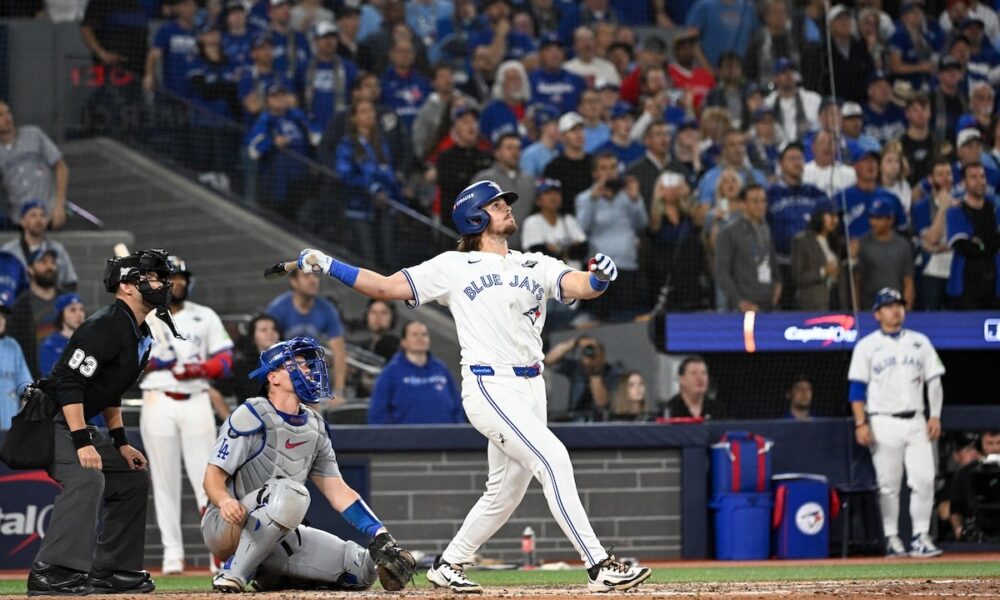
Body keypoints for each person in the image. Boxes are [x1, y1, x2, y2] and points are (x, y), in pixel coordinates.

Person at [295, 179, 652, 592]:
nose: (506, 208)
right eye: (497, 204)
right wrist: (329, 264)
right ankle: (599, 565)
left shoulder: (534, 263)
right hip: (490, 385)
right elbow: (386, 286)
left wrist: (600, 278)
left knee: (505, 492)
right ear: (475, 215)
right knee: (553, 459)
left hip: (532, 387)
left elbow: (581, 286)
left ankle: (448, 564)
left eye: (504, 203)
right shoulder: (453, 266)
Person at [202, 337, 416, 592]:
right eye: (297, 365)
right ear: (273, 377)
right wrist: (225, 502)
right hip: (228, 524)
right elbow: (212, 476)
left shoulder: (315, 426)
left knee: (358, 570)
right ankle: (234, 573)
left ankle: (271, 574)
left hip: (278, 529)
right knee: (291, 493)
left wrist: (379, 534)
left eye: (306, 365)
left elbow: (337, 490)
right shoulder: (251, 413)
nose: (307, 370)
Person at [26, 249, 176, 595]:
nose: (161, 283)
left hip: (71, 424)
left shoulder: (142, 333)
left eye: (160, 277)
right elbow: (68, 383)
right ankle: (52, 571)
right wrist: (83, 442)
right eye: (151, 277)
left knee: (130, 477)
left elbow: (111, 390)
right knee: (87, 476)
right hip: (47, 422)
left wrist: (121, 442)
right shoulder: (104, 325)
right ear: (126, 286)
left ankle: (111, 570)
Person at [139, 255, 234, 576]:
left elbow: (225, 360)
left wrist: (198, 368)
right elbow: (126, 361)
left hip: (196, 398)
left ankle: (216, 554)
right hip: (157, 399)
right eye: (171, 277)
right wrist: (153, 361)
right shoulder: (146, 316)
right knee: (163, 481)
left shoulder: (203, 316)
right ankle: (173, 554)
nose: (177, 282)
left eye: (181, 277)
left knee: (206, 480)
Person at [849, 287, 945, 558]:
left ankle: (920, 535)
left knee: (925, 479)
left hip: (916, 419)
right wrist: (860, 423)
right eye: (889, 306)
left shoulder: (920, 341)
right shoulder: (866, 345)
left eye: (899, 305)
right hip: (883, 420)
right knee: (888, 484)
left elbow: (934, 381)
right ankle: (892, 538)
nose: (895, 310)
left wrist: (935, 415)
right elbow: (856, 388)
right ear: (877, 313)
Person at [575, 154, 648, 321]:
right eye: (604, 168)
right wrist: (593, 200)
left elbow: (642, 224)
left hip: (627, 264)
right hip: (599, 269)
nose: (609, 172)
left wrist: (636, 200)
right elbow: (581, 229)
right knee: (599, 320)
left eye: (613, 167)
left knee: (626, 319)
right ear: (595, 173)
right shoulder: (585, 198)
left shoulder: (629, 195)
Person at [265, 269, 348, 403]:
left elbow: (339, 350)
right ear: (294, 282)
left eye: (315, 276)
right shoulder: (278, 309)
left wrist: (339, 391)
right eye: (306, 276)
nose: (313, 280)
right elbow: (267, 349)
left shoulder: (327, 310)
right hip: (285, 375)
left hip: (314, 379)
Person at [767, 142, 829, 309]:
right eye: (792, 158)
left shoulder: (816, 193)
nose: (797, 163)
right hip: (782, 264)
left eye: (800, 158)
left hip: (811, 268)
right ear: (781, 163)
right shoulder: (770, 194)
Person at [368, 321, 463, 424]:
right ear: (403, 342)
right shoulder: (390, 373)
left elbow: (457, 406)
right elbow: (378, 413)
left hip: (444, 437)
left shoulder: (441, 369)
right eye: (414, 334)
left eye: (424, 334)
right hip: (406, 438)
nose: (420, 338)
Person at [0, 102, 69, 229]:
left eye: (8, 112)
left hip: (48, 215)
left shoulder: (33, 135)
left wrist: (59, 204)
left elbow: (60, 167)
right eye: (1, 115)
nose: (7, 117)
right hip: (19, 220)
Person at [714, 184, 781, 313]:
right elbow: (721, 273)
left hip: (768, 304)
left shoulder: (766, 230)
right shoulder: (729, 233)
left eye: (763, 201)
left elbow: (772, 262)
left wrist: (777, 285)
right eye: (755, 201)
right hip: (743, 307)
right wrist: (739, 301)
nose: (760, 206)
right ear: (742, 204)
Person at [946, 162, 1000, 309]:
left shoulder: (995, 209)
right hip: (966, 287)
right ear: (964, 183)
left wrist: (979, 243)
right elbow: (963, 246)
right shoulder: (956, 210)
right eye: (974, 177)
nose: (980, 181)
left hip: (994, 286)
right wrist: (988, 244)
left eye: (982, 176)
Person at [472, 133, 535, 249]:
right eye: (509, 148)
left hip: (524, 249)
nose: (515, 152)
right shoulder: (484, 179)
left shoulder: (529, 180)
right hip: (491, 248)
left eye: (517, 148)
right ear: (497, 152)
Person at [1, 199, 78, 291]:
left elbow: (70, 282)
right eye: (33, 215)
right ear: (22, 221)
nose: (39, 220)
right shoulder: (8, 251)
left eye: (42, 215)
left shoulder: (58, 250)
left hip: (50, 302)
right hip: (17, 303)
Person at [912, 159, 958, 310]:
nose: (946, 178)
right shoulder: (921, 206)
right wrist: (943, 207)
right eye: (940, 174)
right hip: (932, 272)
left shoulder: (961, 203)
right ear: (931, 179)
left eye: (949, 174)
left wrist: (940, 247)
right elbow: (932, 238)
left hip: (956, 270)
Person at [10, 247, 62, 378]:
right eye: (43, 262)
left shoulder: (70, 301)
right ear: (30, 270)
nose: (49, 267)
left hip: (67, 380)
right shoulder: (20, 308)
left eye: (52, 262)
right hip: (36, 381)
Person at [544, 335, 623, 421]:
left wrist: (594, 371)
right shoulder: (578, 368)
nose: (590, 354)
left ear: (603, 356)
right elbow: (549, 360)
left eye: (595, 351)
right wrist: (575, 342)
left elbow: (602, 404)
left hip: (598, 421)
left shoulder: (613, 373)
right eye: (586, 352)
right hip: (574, 419)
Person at [855, 199, 915, 310]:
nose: (873, 222)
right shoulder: (862, 244)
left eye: (878, 218)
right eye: (872, 217)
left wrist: (907, 310)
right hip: (868, 307)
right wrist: (857, 310)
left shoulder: (903, 245)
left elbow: (908, 281)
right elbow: (856, 282)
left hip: (894, 306)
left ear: (890, 220)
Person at [791, 200, 842, 311]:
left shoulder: (835, 240)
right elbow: (797, 278)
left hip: (835, 302)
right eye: (830, 215)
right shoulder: (802, 241)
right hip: (812, 304)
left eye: (836, 215)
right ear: (819, 217)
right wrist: (823, 272)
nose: (835, 219)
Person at [950, 431, 1000, 541]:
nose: (995, 448)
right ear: (980, 445)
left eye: (999, 443)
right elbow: (955, 509)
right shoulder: (965, 472)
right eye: (990, 443)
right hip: (979, 529)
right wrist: (959, 531)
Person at [543, 112, 592, 212]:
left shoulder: (594, 162)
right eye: (573, 130)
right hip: (566, 220)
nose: (579, 134)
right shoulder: (554, 167)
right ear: (563, 136)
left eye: (581, 129)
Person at [228, 314, 282, 404]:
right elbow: (218, 390)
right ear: (253, 337)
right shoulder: (241, 367)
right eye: (263, 330)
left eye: (274, 329)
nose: (270, 332)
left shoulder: (291, 363)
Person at [0, 289, 32, 430]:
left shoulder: (12, 345)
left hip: (9, 425)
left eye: (2, 316)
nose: (0, 320)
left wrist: (27, 397)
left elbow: (25, 383)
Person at [660, 356, 725, 420]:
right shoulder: (670, 409)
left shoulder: (717, 409)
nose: (700, 378)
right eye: (694, 373)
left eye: (703, 373)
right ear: (681, 379)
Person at [38, 293, 85, 377]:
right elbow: (51, 379)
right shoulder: (49, 346)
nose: (79, 314)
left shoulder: (90, 341)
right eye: (72, 310)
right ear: (61, 315)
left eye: (81, 309)